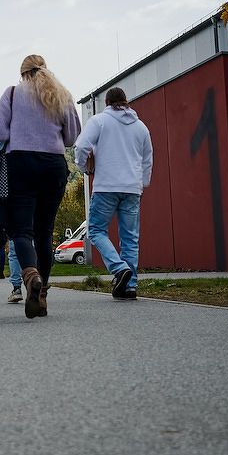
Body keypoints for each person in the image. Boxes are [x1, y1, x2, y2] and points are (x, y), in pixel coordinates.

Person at [0, 54, 81, 319]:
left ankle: (31, 278)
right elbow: (72, 137)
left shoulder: (14, 94)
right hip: (53, 166)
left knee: (22, 231)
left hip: (21, 165)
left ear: (23, 73)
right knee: (45, 232)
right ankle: (42, 296)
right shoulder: (62, 94)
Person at [73, 87, 153, 300]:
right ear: (126, 102)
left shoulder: (99, 121)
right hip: (132, 188)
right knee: (130, 239)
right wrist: (142, 184)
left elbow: (81, 146)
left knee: (96, 230)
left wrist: (83, 168)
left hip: (106, 186)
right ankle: (130, 286)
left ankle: (119, 269)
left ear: (107, 102)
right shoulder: (141, 127)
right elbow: (147, 160)